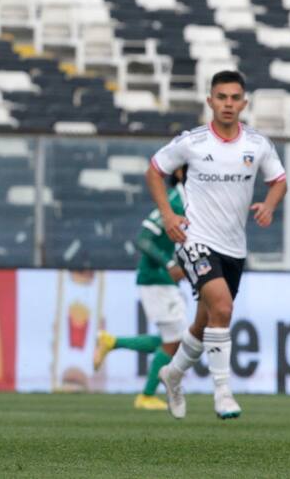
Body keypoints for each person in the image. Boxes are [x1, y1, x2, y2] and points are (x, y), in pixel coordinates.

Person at [146, 70, 286, 420]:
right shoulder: (192, 142)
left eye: (234, 98)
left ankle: (172, 375)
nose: (228, 104)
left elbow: (279, 180)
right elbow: (154, 170)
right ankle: (223, 392)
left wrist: (269, 205)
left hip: (233, 247)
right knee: (222, 308)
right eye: (221, 97)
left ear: (244, 103)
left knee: (204, 322)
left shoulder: (257, 144)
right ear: (210, 101)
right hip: (195, 239)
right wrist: (168, 216)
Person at [94, 166, 188, 411]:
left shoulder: (190, 201)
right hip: (155, 277)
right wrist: (169, 263)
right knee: (175, 340)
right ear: (180, 172)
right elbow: (143, 238)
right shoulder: (174, 201)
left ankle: (112, 342)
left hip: (162, 279)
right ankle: (146, 395)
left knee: (173, 340)